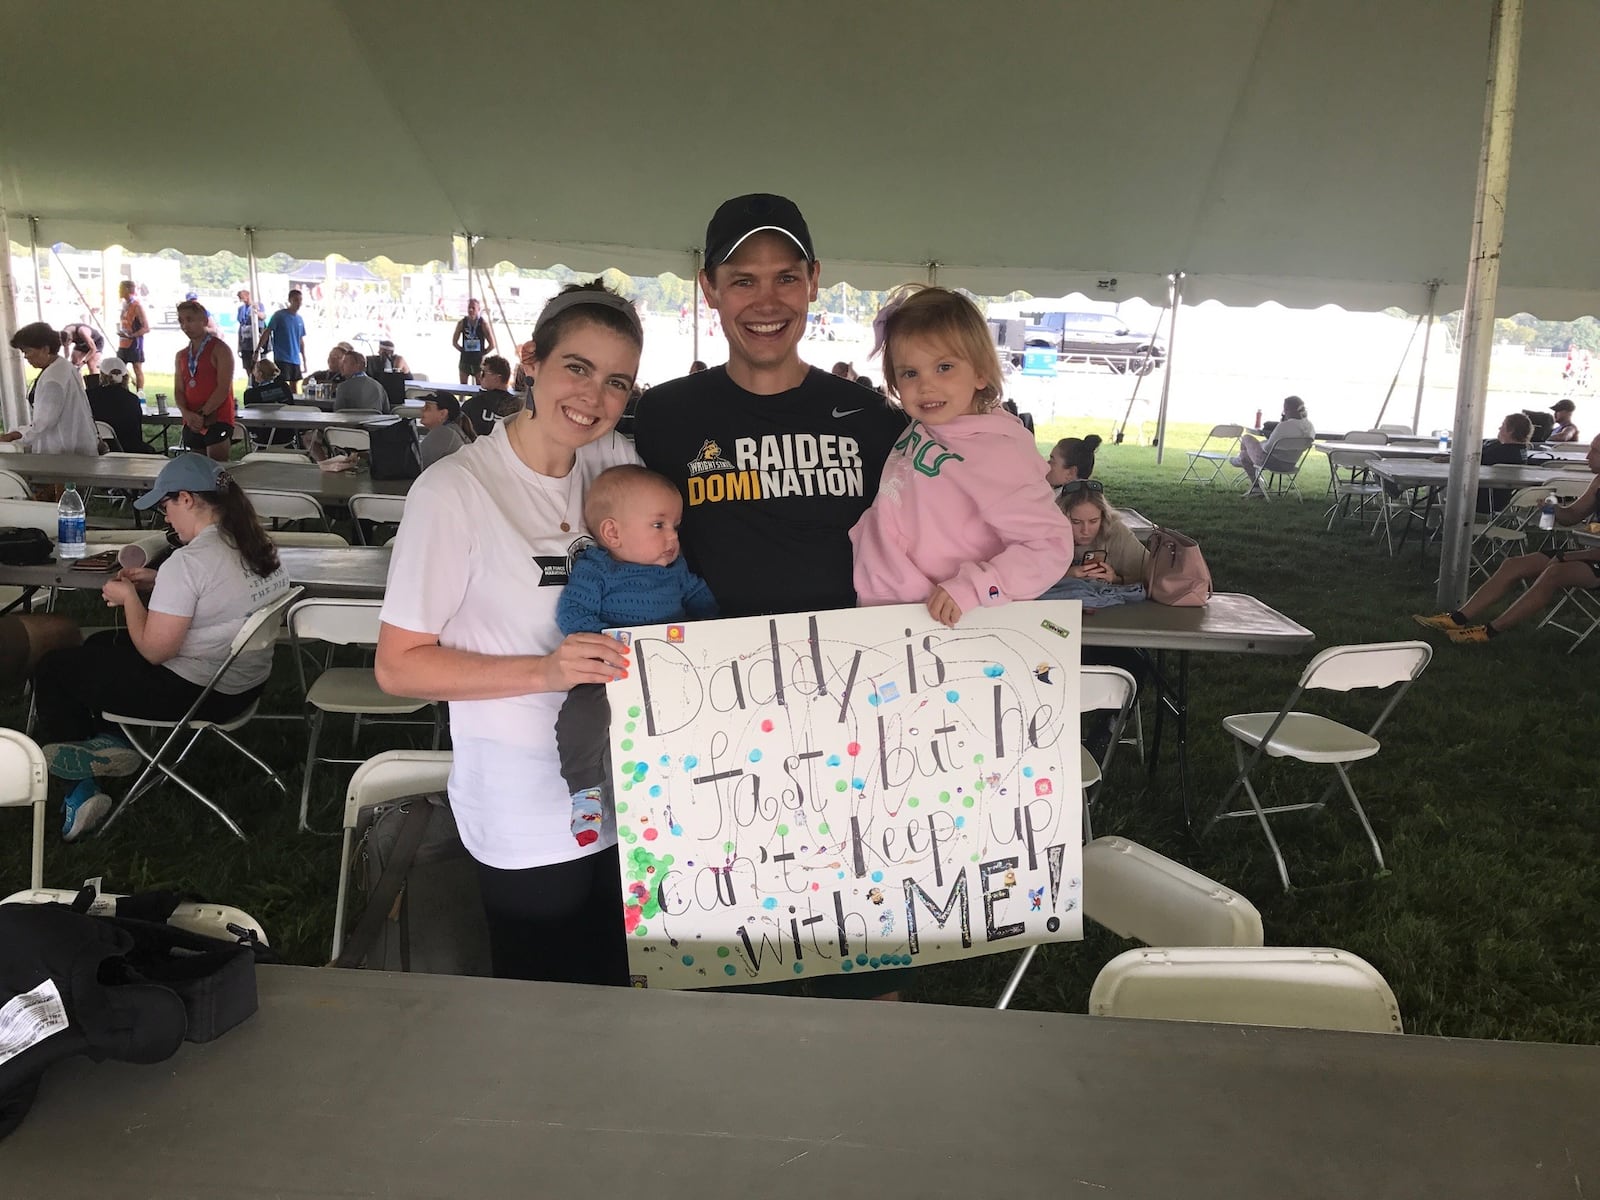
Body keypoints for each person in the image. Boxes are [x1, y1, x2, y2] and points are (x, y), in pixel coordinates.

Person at [632, 192, 906, 1000]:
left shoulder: (873, 419)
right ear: (708, 288)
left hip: (850, 711)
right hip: (708, 714)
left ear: (816, 282)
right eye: (742, 279)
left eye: (785, 277)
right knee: (719, 956)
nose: (766, 301)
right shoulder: (666, 417)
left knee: (860, 948)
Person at [375, 283, 641, 987]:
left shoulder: (613, 465)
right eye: (577, 368)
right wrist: (544, 672)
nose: (593, 395)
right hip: (526, 811)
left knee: (625, 999)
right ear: (531, 361)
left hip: (634, 794)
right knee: (546, 1016)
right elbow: (399, 667)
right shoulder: (456, 492)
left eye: (616, 382)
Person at [32, 454, 289, 840]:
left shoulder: (188, 563)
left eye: (165, 506)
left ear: (185, 498)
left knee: (52, 668)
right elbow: (214, 597)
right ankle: (112, 743)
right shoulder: (255, 544)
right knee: (104, 642)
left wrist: (130, 599)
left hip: (195, 693)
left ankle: (80, 790)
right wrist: (159, 584)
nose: (165, 517)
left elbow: (154, 651)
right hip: (242, 683)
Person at [849, 285, 1073, 628]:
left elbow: (1049, 547)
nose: (926, 386)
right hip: (885, 612)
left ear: (981, 372)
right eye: (910, 373)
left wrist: (972, 588)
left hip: (935, 623)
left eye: (944, 367)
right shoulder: (929, 424)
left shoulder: (998, 453)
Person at [554, 465, 717, 836]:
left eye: (676, 527)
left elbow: (696, 594)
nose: (672, 537)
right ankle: (585, 789)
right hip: (611, 669)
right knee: (580, 718)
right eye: (659, 525)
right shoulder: (597, 569)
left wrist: (715, 626)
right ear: (613, 532)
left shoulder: (674, 568)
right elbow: (572, 614)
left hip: (669, 667)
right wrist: (612, 645)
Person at [1414, 434, 1600, 644]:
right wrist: (1554, 509)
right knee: (1513, 564)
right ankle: (1457, 619)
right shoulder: (1597, 482)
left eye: (1595, 452)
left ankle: (1488, 632)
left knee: (1554, 573)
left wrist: (1567, 556)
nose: (1587, 456)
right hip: (1588, 553)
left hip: (1593, 556)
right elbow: (1573, 516)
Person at [3, 322, 99, 455]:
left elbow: (43, 423)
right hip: (75, 444)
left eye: (27, 351)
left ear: (45, 349)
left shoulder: (53, 379)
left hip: (63, 452)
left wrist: (15, 436)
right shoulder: (63, 366)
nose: (26, 357)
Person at [172, 300, 236, 463]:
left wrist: (202, 414)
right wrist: (187, 414)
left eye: (190, 319)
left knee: (216, 469)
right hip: (192, 420)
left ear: (204, 321)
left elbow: (223, 388)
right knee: (197, 471)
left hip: (217, 419)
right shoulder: (181, 355)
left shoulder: (220, 350)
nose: (185, 325)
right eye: (181, 321)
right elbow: (179, 390)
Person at [1233, 395, 1313, 496]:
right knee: (1246, 454)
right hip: (1291, 464)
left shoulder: (1284, 426)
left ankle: (1243, 464)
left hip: (1273, 463)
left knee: (1246, 439)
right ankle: (1242, 461)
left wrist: (1260, 444)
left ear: (1287, 409)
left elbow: (1267, 448)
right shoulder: (1310, 426)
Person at [86, 357, 157, 454]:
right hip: (129, 451)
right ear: (125, 376)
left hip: (97, 449)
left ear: (102, 375)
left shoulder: (88, 396)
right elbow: (137, 432)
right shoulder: (133, 400)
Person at [1479, 411, 1533, 512]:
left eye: (1503, 425)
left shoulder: (1495, 452)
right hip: (1506, 502)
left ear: (1511, 430)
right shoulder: (1521, 451)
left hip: (1482, 500)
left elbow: (1470, 462)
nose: (1499, 428)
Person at [262, 290, 308, 393]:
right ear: (290, 300)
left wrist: (304, 360)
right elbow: (267, 331)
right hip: (282, 357)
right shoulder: (279, 315)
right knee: (280, 385)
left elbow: (300, 340)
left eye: (300, 300)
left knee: (294, 386)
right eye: (296, 300)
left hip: (295, 359)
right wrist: (258, 349)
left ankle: (294, 406)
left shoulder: (299, 319)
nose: (298, 303)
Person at [461, 354, 520, 434]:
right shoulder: (519, 407)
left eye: (483, 373)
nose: (480, 377)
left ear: (496, 378)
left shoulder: (471, 405)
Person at [417, 392, 476, 467]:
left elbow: (417, 465)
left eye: (427, 408)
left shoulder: (443, 433)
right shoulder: (451, 430)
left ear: (443, 414)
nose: (422, 410)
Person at [115, 280, 150, 393]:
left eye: (121, 289)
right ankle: (123, 392)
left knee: (137, 368)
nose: (119, 291)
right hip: (123, 342)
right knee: (119, 368)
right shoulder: (125, 305)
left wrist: (132, 335)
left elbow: (146, 328)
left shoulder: (137, 306)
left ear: (127, 290)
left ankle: (140, 394)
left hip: (135, 343)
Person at [333, 347, 389, 412]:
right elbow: (386, 411)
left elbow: (337, 413)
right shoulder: (378, 386)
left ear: (357, 366)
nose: (341, 365)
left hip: (351, 421)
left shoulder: (343, 387)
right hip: (374, 422)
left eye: (345, 362)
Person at [452, 297, 494, 384]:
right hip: (465, 360)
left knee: (479, 387)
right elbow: (454, 342)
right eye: (469, 308)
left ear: (478, 309)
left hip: (478, 361)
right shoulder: (462, 323)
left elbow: (492, 344)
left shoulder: (483, 324)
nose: (471, 310)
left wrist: (482, 353)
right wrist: (463, 350)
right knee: (462, 387)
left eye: (473, 308)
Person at [235, 289, 264, 372]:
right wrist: (239, 345)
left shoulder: (258, 305)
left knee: (259, 367)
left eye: (244, 298)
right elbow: (240, 327)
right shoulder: (241, 309)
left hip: (256, 341)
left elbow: (263, 317)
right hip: (245, 343)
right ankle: (251, 382)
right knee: (248, 367)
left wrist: (256, 311)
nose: (243, 300)